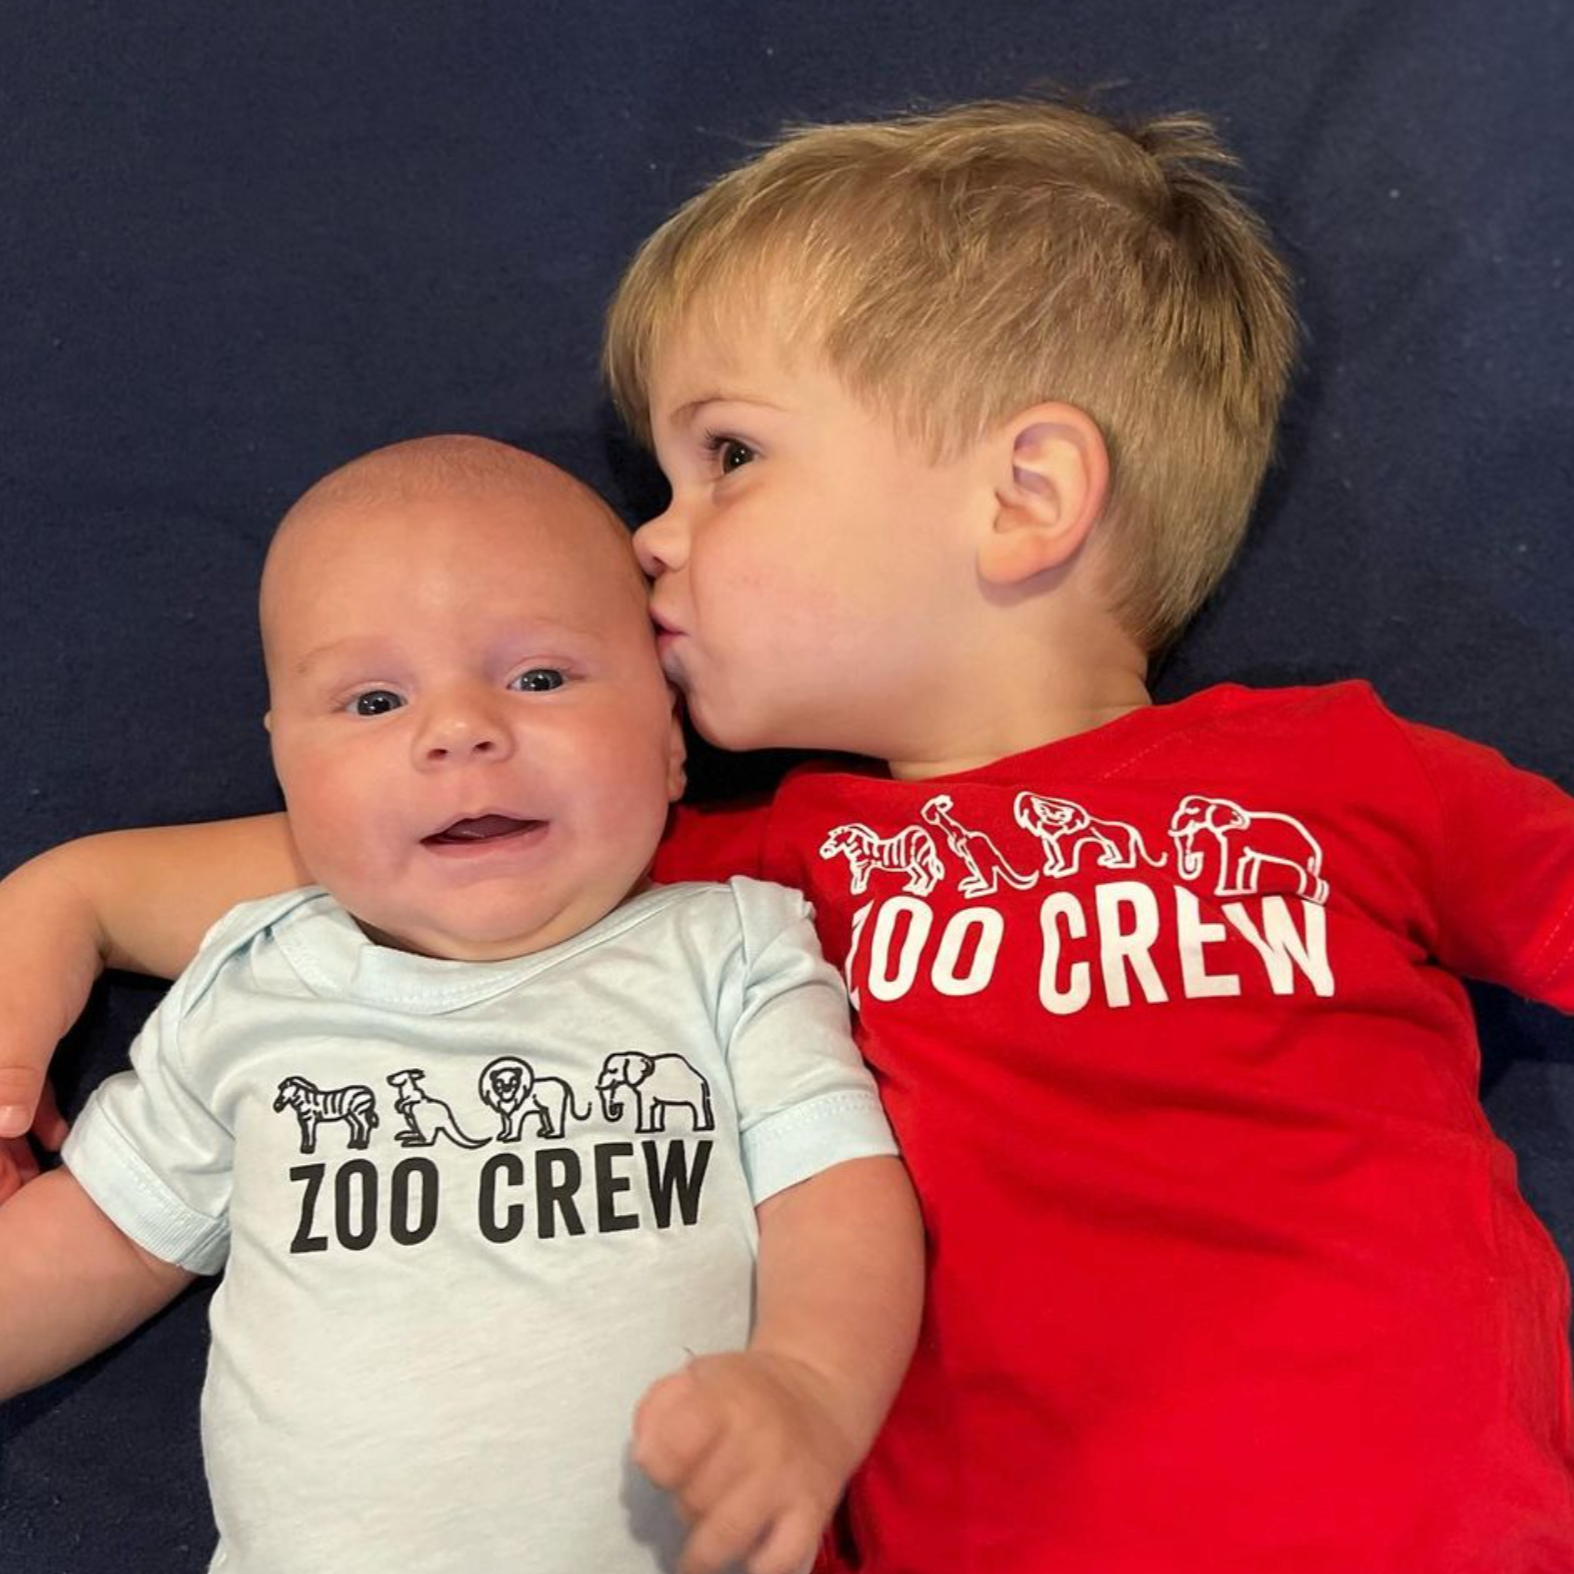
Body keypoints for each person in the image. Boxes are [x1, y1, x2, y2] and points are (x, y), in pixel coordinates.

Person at [4, 95, 1574, 1571]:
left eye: (729, 457)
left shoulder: (1345, 774)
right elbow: (408, 839)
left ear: (1023, 494)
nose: (648, 537)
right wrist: (67, 899)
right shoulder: (777, 871)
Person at [0, 436, 923, 1574]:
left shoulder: (730, 951)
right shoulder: (253, 985)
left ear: (668, 737)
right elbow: (102, 1237)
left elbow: (834, 1191)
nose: (459, 729)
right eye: (374, 699)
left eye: (540, 678)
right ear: (287, 769)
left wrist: (810, 1383)